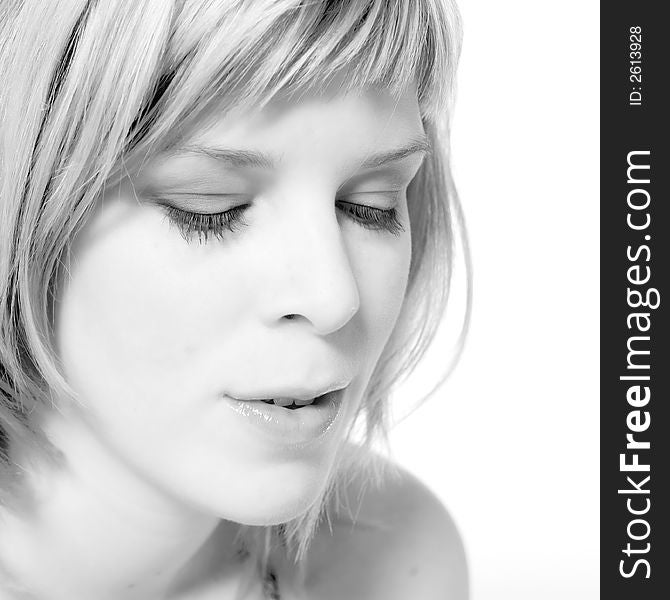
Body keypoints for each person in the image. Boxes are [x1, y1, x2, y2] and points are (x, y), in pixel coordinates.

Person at [0, 1, 469, 598]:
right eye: (212, 208)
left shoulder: (387, 559)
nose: (333, 297)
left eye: (370, 205)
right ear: (24, 216)